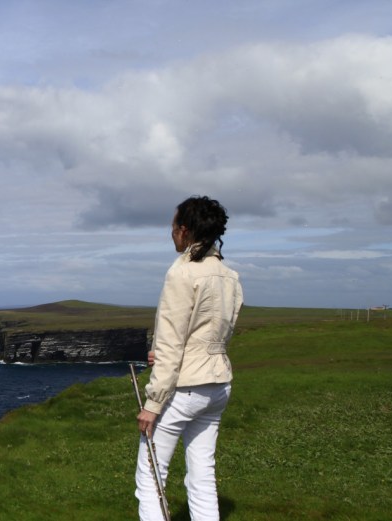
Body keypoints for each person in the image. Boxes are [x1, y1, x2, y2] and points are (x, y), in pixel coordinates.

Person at [135, 196, 244, 521]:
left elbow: (171, 340)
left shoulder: (182, 273)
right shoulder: (230, 275)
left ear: (184, 230)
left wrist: (152, 404)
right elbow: (217, 334)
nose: (170, 233)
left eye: (173, 226)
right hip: (218, 386)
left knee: (151, 478)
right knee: (202, 476)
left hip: (184, 390)